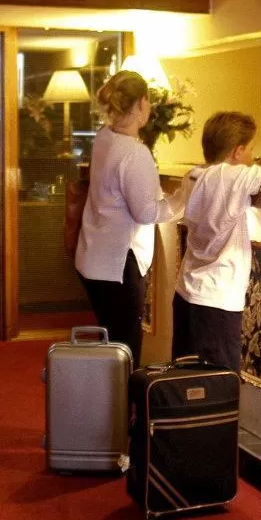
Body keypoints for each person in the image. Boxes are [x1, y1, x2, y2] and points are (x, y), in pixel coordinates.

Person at [173, 112, 261, 369]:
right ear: (237, 152)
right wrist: (257, 167)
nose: (253, 155)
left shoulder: (193, 175)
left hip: (186, 292)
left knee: (184, 377)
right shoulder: (233, 177)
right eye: (251, 149)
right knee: (218, 381)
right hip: (217, 299)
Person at [75, 70, 181, 364]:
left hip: (92, 257)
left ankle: (106, 392)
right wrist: (182, 198)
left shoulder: (103, 138)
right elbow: (146, 213)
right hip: (119, 263)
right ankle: (119, 396)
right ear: (142, 104)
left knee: (112, 344)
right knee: (125, 349)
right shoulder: (134, 153)